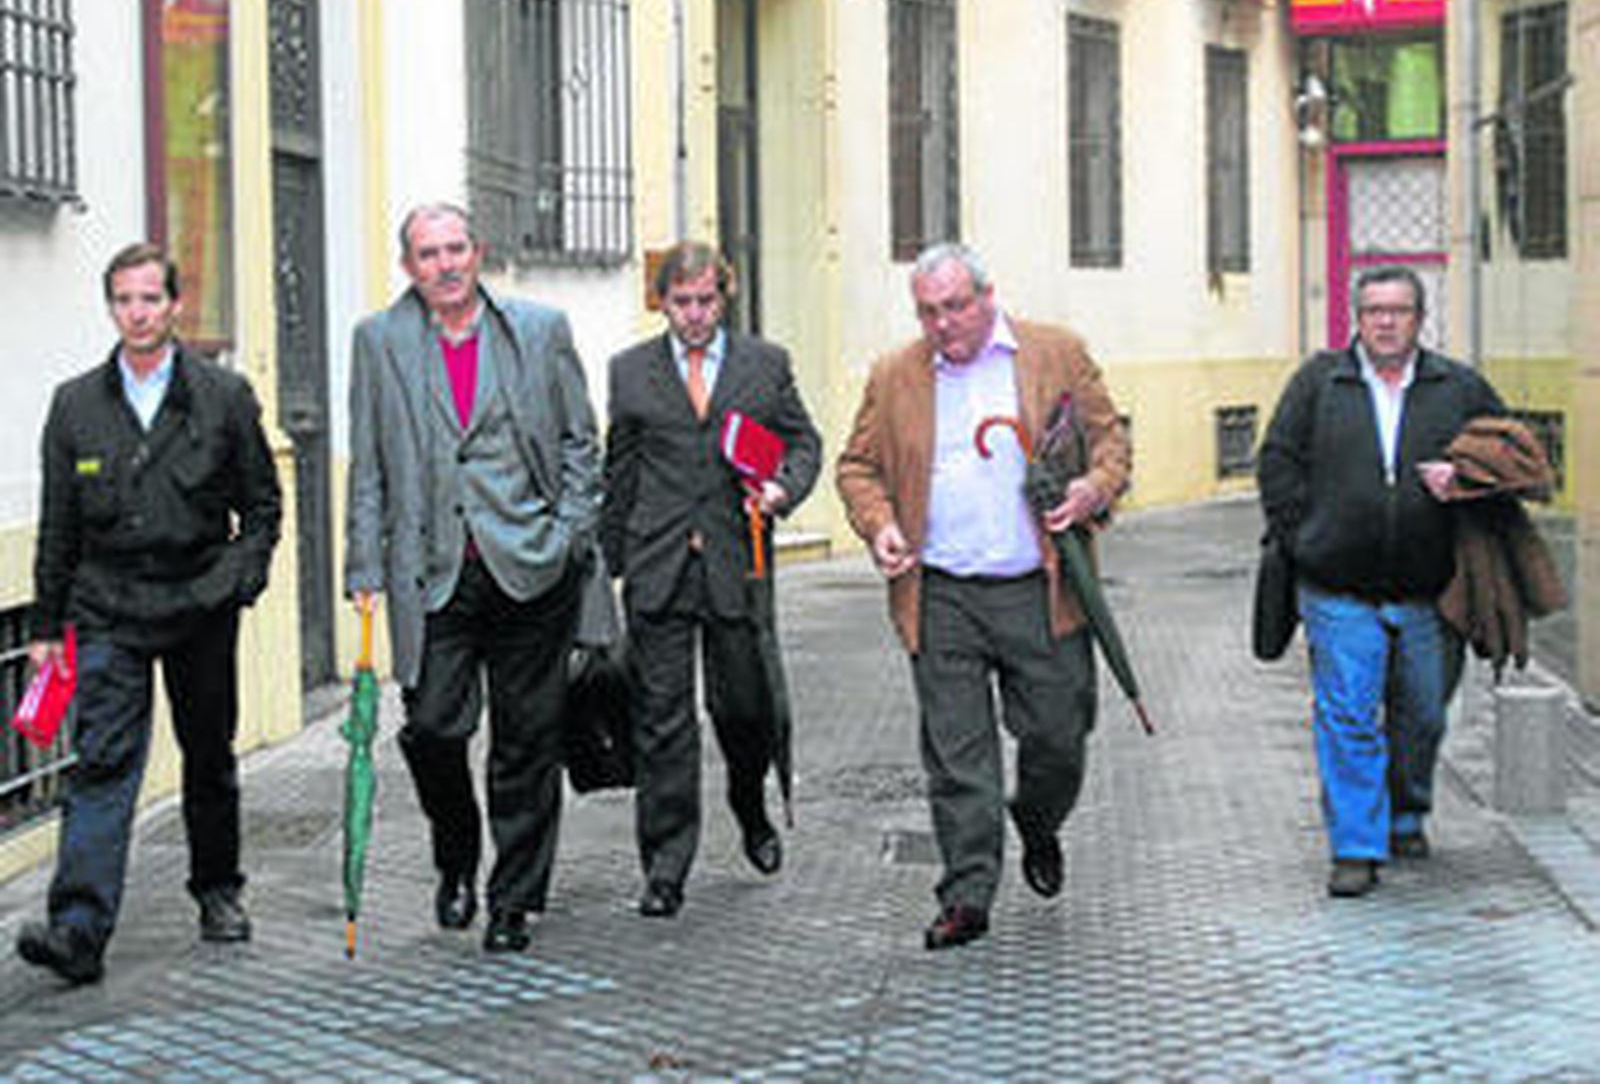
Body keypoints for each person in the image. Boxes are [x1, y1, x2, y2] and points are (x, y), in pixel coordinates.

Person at [836, 244, 1130, 950]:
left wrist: (1092, 489)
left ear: (987, 296)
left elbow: (1110, 442)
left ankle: (1036, 819)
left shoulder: (1055, 353)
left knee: (1059, 735)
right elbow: (858, 468)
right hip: (941, 593)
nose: (943, 324)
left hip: (1039, 587)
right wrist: (878, 527)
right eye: (928, 312)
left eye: (956, 307)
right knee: (956, 753)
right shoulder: (895, 375)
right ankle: (967, 891)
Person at [17, 244, 282, 986]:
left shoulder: (224, 397)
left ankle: (218, 889)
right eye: (123, 301)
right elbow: (59, 525)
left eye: (149, 299)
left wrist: (237, 580)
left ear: (173, 305)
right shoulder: (75, 405)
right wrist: (44, 627)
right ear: (111, 310)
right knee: (102, 763)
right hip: (107, 609)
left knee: (208, 755)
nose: (137, 313)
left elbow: (261, 507)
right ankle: (78, 927)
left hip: (199, 603)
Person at [345, 203, 601, 952]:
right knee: (430, 730)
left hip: (530, 569)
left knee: (527, 741)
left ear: (478, 253)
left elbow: (580, 442)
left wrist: (566, 536)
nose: (446, 265)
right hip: (432, 575)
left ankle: (512, 899)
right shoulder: (379, 341)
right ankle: (455, 852)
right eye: (429, 254)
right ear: (409, 268)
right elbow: (368, 465)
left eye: (456, 249)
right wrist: (363, 564)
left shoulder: (538, 329)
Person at [1258, 265, 1504, 898]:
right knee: (1346, 714)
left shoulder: (1458, 387)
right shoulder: (1320, 383)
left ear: (1421, 319)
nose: (1386, 321)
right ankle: (1356, 847)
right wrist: (1304, 536)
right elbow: (1277, 461)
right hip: (1338, 589)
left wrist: (1466, 480)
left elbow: (1516, 456)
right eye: (1373, 310)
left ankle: (1405, 808)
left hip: (1431, 590)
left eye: (1398, 310)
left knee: (1422, 713)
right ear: (1356, 318)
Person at [602, 242, 821, 919]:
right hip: (659, 568)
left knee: (745, 710)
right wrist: (606, 568)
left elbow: (802, 443)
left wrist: (783, 489)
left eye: (705, 301)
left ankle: (750, 805)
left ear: (723, 297)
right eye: (680, 302)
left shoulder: (765, 365)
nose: (694, 316)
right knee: (663, 725)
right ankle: (665, 867)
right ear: (662, 303)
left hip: (737, 565)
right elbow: (621, 473)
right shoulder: (631, 372)